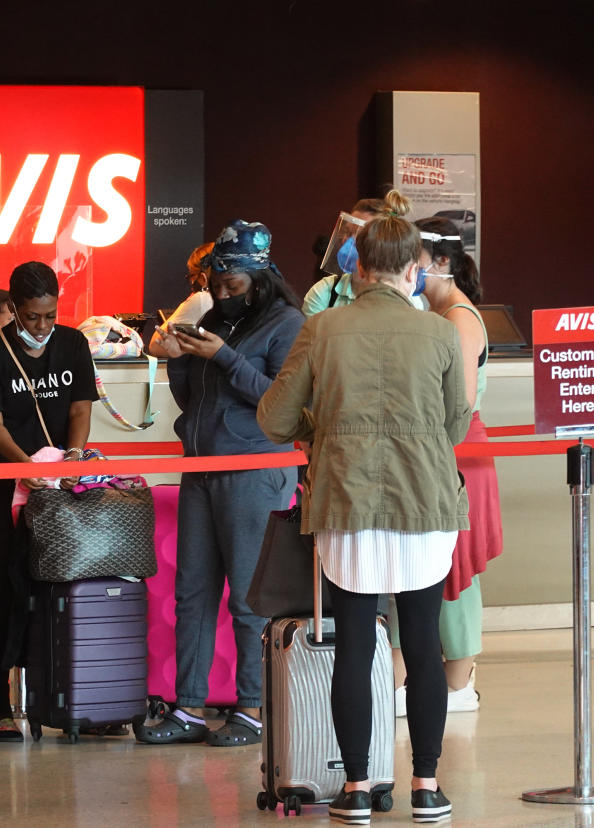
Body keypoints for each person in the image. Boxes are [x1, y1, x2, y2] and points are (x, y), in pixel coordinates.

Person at [257, 190, 471, 824]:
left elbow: (273, 419)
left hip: (346, 501)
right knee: (424, 644)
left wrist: (320, 430)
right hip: (425, 504)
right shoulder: (438, 332)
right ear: (414, 270)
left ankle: (354, 789)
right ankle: (427, 785)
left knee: (353, 642)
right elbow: (456, 425)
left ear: (355, 269)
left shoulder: (321, 327)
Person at [137, 220, 303, 747]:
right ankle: (188, 707)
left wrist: (224, 357)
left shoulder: (287, 323)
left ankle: (252, 708)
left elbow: (280, 401)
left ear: (261, 278)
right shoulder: (214, 319)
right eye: (217, 284)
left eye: (234, 286)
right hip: (201, 467)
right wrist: (177, 360)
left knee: (248, 599)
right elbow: (195, 403)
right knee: (192, 592)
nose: (223, 294)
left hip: (255, 469)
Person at [0, 260, 97, 740]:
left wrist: (72, 457)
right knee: (2, 590)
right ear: (13, 309)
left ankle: (59, 701)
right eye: (31, 317)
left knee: (59, 589)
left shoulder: (73, 344)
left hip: (59, 486)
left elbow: (80, 406)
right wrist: (25, 466)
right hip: (2, 484)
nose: (42, 326)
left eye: (49, 315)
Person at [390, 216, 502, 716]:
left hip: (455, 453)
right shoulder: (435, 315)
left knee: (455, 571)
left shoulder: (458, 318)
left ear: (440, 263)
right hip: (436, 450)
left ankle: (458, 684)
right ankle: (427, 678)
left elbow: (452, 403)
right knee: (428, 567)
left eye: (414, 260)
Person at [302, 198, 424, 316]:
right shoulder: (325, 292)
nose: (347, 240)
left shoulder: (409, 300)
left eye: (360, 234)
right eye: (348, 232)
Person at [148, 242, 214, 357]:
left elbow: (156, 345)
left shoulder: (202, 299)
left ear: (203, 278)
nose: (191, 283)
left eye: (192, 276)